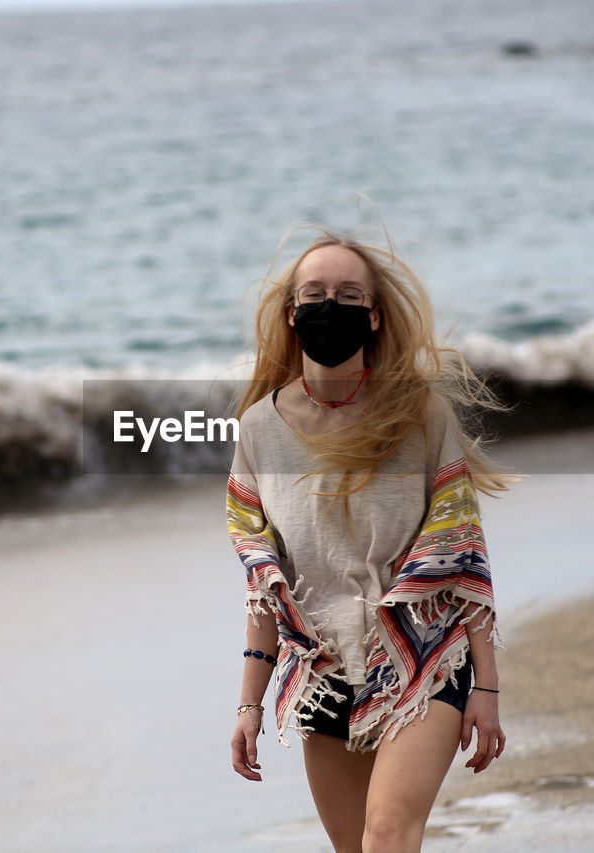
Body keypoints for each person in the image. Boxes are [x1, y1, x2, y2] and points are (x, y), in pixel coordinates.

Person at [225, 227, 523, 852]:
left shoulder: (420, 415)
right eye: (314, 292)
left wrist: (487, 689)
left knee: (387, 834)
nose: (329, 306)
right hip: (322, 669)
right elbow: (265, 583)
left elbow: (463, 557)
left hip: (423, 654)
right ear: (290, 313)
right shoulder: (257, 430)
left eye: (347, 293)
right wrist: (249, 704)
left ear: (376, 315)